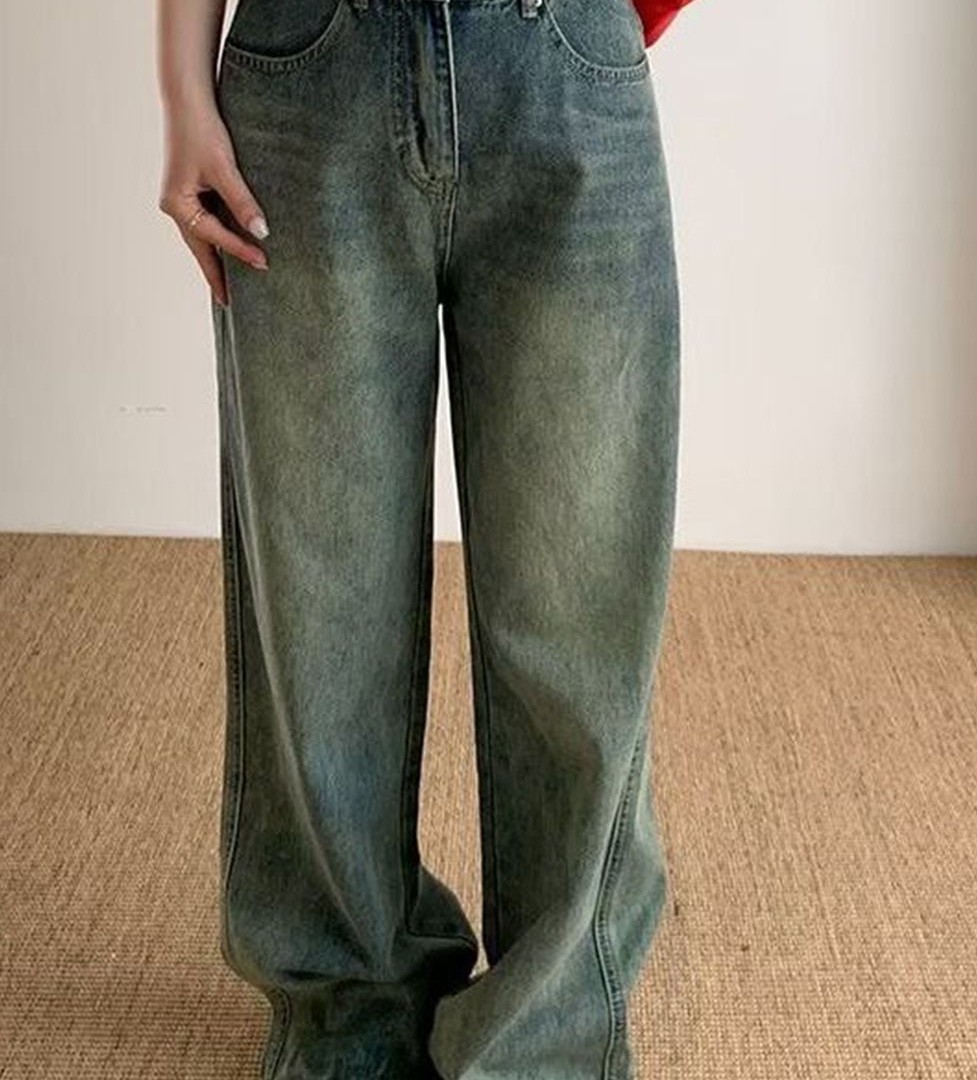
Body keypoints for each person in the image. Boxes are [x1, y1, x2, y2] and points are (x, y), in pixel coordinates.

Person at [157, 1, 692, 1077]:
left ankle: (548, 1043)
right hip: (311, 68)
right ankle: (347, 1021)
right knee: (322, 620)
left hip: (566, 59)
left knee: (579, 613)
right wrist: (181, 89)